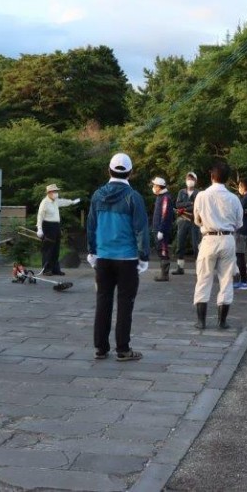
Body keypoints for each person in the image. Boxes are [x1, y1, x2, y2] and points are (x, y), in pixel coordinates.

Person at [86, 152, 149, 362]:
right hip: (127, 258)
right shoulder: (134, 197)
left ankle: (100, 348)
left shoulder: (97, 195)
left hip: (103, 256)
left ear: (109, 170)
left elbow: (91, 226)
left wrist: (92, 251)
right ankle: (123, 348)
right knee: (125, 303)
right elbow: (141, 229)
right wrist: (144, 255)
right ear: (130, 172)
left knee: (102, 301)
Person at [192, 162, 243, 330]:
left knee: (203, 278)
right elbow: (238, 223)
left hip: (208, 239)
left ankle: (201, 321)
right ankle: (222, 321)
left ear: (211, 177)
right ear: (227, 179)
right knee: (226, 280)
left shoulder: (201, 196)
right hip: (227, 239)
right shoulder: (234, 198)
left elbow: (197, 220)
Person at [36, 183, 80, 277]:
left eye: (56, 191)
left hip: (56, 226)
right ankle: (46, 269)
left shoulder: (55, 201)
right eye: (55, 191)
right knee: (48, 249)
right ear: (49, 192)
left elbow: (63, 202)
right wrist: (39, 229)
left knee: (56, 248)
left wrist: (72, 202)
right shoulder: (44, 202)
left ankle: (55, 269)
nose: (56, 193)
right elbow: (40, 216)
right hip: (47, 226)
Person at [172, 171, 201, 276]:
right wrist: (190, 203)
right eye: (188, 179)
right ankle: (180, 267)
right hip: (183, 220)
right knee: (180, 243)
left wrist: (184, 207)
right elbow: (177, 204)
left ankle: (199, 269)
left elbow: (197, 206)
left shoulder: (198, 193)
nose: (190, 181)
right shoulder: (181, 192)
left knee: (196, 245)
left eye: (192, 179)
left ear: (195, 181)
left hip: (194, 221)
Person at [233, 177, 247, 291]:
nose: (239, 188)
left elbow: (238, 214)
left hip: (242, 231)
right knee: (239, 255)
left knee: (240, 255)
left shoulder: (245, 199)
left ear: (243, 186)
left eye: (239, 186)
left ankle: (244, 281)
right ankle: (243, 280)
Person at [150, 176, 174, 282]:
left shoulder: (165, 198)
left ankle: (164, 275)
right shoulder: (160, 196)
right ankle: (163, 273)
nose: (154, 187)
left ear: (160, 186)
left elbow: (165, 215)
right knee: (160, 249)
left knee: (163, 250)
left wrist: (161, 229)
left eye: (155, 185)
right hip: (157, 228)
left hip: (161, 230)